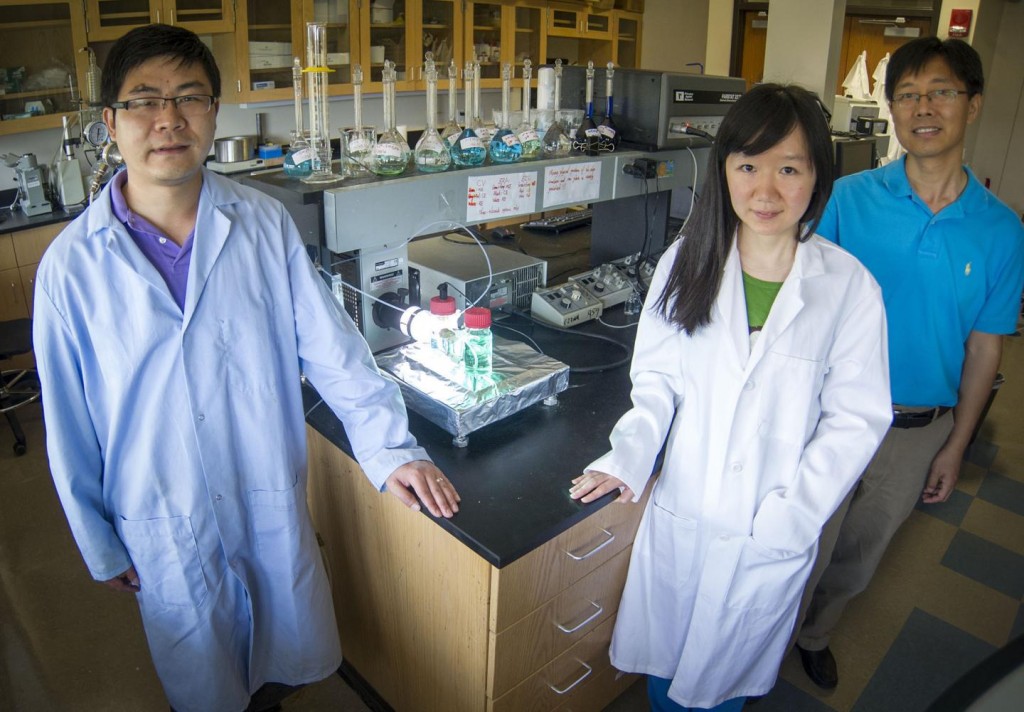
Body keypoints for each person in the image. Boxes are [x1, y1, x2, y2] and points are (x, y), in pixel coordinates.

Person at [32, 24, 461, 712]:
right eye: (144, 100)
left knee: (275, 665)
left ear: (214, 113)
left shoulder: (262, 224)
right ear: (110, 122)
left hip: (262, 489)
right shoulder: (70, 267)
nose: (168, 119)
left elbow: (334, 349)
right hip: (159, 512)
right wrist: (99, 541)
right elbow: (68, 419)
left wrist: (391, 449)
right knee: (202, 678)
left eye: (190, 98)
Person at [569, 83, 892, 710]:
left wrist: (790, 518)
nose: (765, 191)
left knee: (721, 685)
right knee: (666, 675)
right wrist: (628, 455)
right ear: (724, 171)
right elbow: (657, 382)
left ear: (818, 177)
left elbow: (855, 421)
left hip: (769, 524)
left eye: (788, 169)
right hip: (685, 509)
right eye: (747, 166)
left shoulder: (848, 288)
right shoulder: (687, 261)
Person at [794, 37, 1024, 691]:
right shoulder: (848, 198)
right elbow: (805, 306)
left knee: (860, 556)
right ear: (891, 108)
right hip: (829, 415)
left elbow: (985, 346)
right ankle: (764, 639)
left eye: (941, 91)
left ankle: (815, 636)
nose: (923, 107)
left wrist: (957, 443)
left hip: (916, 429)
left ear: (972, 105)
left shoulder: (1002, 230)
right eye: (907, 94)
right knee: (799, 539)